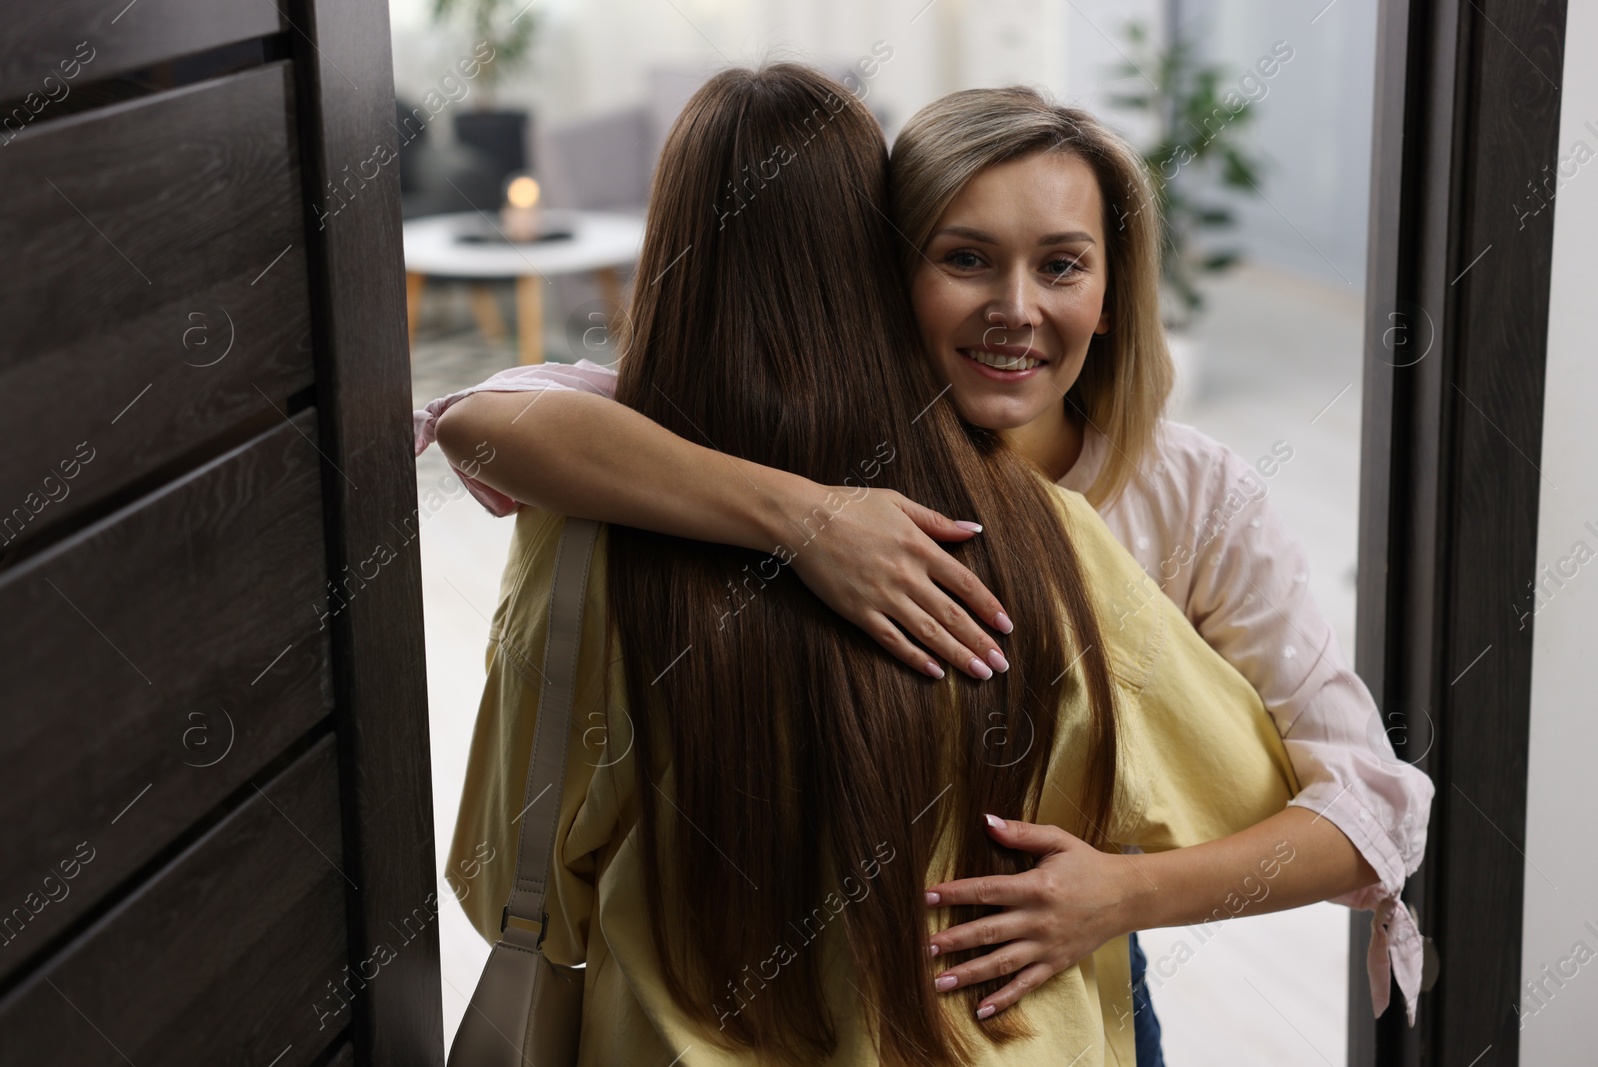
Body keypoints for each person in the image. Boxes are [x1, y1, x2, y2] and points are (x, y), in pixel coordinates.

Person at [421, 85, 1434, 1042]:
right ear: (882, 273)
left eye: (1063, 265)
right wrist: (811, 518)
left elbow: (1370, 808)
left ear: (1114, 295)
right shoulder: (799, 444)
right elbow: (480, 419)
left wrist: (1121, 894)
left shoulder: (1192, 498)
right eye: (965, 258)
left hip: (1046, 971)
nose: (1015, 307)